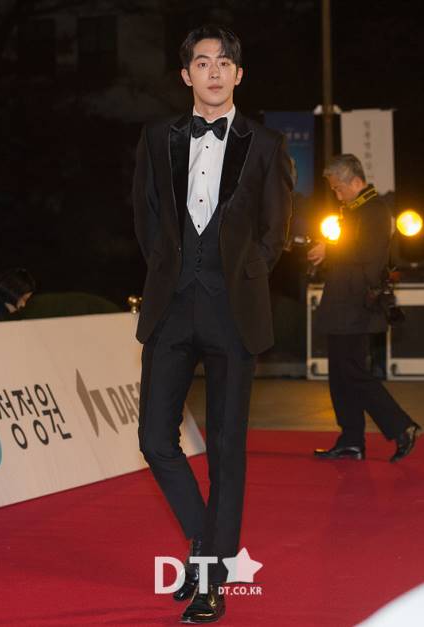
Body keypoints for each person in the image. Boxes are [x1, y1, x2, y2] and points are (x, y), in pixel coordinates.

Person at [133, 24, 292, 624]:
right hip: (171, 307)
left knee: (226, 448)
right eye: (203, 63)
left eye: (225, 63)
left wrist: (246, 274)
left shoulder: (267, 144)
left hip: (233, 313)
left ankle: (210, 578)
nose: (215, 71)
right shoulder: (157, 138)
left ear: (239, 74)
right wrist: (168, 269)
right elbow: (146, 214)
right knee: (155, 440)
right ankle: (207, 543)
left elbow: (276, 229)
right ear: (186, 75)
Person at [308, 154, 420, 463]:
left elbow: (365, 254)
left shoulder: (375, 211)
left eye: (338, 188)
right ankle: (351, 439)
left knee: (353, 372)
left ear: (355, 181)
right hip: (344, 302)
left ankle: (401, 427)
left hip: (356, 304)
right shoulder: (357, 210)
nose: (336, 194)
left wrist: (329, 248)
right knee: (340, 375)